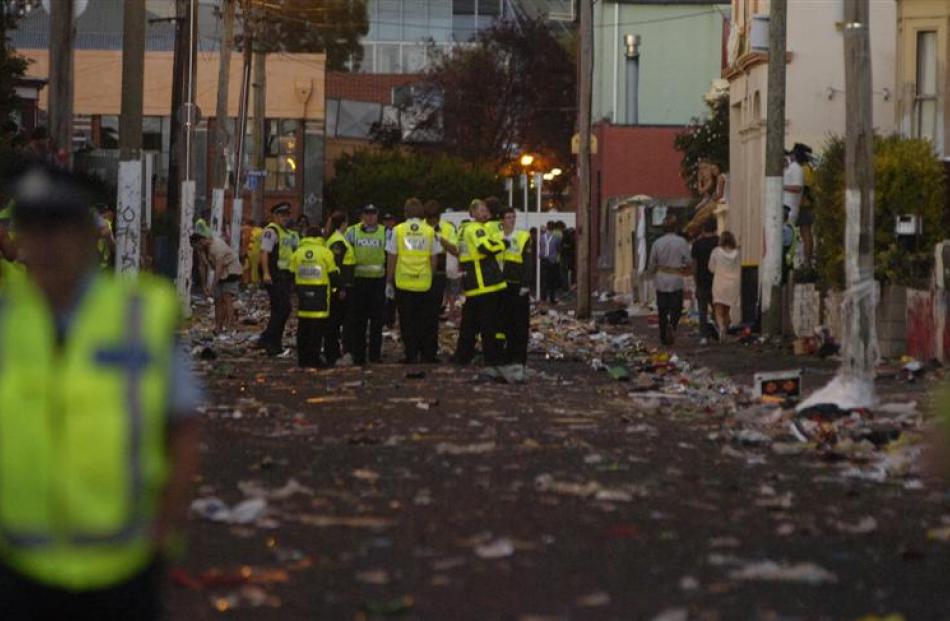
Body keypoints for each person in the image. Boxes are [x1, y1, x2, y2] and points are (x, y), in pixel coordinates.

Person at [0, 165, 200, 621]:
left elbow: (184, 428)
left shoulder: (139, 316)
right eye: (34, 230)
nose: (47, 245)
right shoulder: (7, 322)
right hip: (18, 565)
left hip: (124, 565)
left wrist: (164, 529)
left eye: (59, 229)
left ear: (86, 236)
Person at [453, 199, 507, 373]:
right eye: (481, 209)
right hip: (485, 282)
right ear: (473, 213)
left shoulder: (462, 229)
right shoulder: (476, 228)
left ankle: (463, 355)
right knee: (488, 323)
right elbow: (485, 248)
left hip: (472, 283)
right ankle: (491, 357)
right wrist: (503, 244)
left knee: (469, 323)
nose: (485, 212)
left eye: (486, 209)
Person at [386, 198, 437, 363]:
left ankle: (411, 354)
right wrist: (431, 274)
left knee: (407, 320)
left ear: (405, 212)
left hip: (404, 281)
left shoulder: (398, 230)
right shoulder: (429, 231)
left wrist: (389, 280)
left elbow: (393, 256)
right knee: (424, 320)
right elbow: (433, 257)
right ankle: (426, 353)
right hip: (424, 281)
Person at [290, 228, 340, 368]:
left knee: (303, 328)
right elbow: (333, 274)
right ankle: (314, 359)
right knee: (316, 330)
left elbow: (290, 273)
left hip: (303, 296)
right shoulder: (325, 252)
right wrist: (336, 290)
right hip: (321, 295)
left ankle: (302, 359)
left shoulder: (297, 253)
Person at [345, 204, 387, 365]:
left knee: (377, 321)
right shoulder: (352, 232)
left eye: (373, 214)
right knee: (358, 321)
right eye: (367, 214)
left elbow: (390, 254)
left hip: (377, 281)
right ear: (362, 215)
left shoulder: (385, 232)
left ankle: (375, 355)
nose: (370, 217)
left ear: (377, 215)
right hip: (358, 281)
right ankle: (359, 355)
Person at [258, 202, 297, 356]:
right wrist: (266, 273)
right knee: (283, 308)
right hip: (274, 275)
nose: (285, 218)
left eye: (287, 215)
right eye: (281, 215)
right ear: (274, 216)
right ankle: (271, 342)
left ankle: (269, 339)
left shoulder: (286, 232)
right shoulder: (271, 231)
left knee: (280, 309)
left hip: (284, 275)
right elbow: (264, 253)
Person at [647, 215, 691, 346]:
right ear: (675, 228)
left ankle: (663, 334)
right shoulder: (681, 242)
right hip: (676, 278)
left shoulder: (657, 243)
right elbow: (688, 261)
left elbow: (652, 263)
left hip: (661, 278)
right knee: (676, 307)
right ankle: (673, 324)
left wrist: (651, 274)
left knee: (662, 308)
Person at [424, 199, 459, 361]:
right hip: (420, 274)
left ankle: (430, 350)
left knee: (433, 315)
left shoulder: (448, 228)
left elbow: (456, 250)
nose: (432, 222)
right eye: (429, 219)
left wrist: (440, 239)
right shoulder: (420, 228)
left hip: (439, 274)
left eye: (434, 219)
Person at [499, 207, 532, 382]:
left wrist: (526, 284)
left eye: (513, 217)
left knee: (519, 325)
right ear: (501, 220)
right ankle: (505, 357)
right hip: (501, 285)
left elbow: (528, 262)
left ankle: (519, 360)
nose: (511, 220)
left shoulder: (523, 236)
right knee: (504, 324)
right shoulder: (496, 237)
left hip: (517, 285)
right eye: (508, 217)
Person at [192, 229, 242, 336]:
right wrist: (204, 285)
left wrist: (212, 286)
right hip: (221, 273)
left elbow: (219, 268)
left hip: (231, 270)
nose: (198, 250)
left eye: (198, 247)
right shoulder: (201, 249)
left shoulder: (217, 247)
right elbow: (202, 267)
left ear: (202, 241)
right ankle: (218, 328)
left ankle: (230, 328)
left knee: (227, 298)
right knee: (217, 300)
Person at [324, 211, 354, 365]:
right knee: (335, 322)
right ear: (343, 224)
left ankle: (333, 353)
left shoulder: (338, 239)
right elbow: (337, 266)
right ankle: (332, 354)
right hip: (340, 287)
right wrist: (340, 287)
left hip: (341, 286)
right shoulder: (337, 242)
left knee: (335, 321)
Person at [709, 231, 742, 342]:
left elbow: (711, 268)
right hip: (733, 285)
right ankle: (725, 331)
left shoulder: (716, 252)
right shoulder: (737, 253)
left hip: (719, 282)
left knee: (718, 310)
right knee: (727, 310)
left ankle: (721, 328)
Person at [691, 217, 720, 343]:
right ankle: (718, 332)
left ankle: (704, 336)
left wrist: (695, 280)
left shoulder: (697, 244)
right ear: (716, 228)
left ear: (703, 229)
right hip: (717, 280)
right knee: (717, 308)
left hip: (702, 280)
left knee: (702, 310)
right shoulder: (719, 243)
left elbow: (694, 265)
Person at [382, 212, 398, 328]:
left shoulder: (397, 233)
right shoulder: (381, 233)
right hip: (383, 263)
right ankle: (383, 317)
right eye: (386, 221)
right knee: (383, 294)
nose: (388, 223)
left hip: (395, 264)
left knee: (392, 294)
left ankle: (390, 319)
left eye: (390, 220)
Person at [539, 221, 561, 303]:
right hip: (552, 261)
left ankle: (543, 297)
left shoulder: (541, 237)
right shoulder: (556, 238)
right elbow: (558, 248)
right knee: (552, 281)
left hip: (544, 259)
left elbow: (541, 246)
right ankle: (552, 298)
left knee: (544, 279)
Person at [783, 147, 804, 225]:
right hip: (785, 207)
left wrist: (781, 187)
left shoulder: (795, 168)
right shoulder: (789, 168)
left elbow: (798, 188)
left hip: (789, 208)